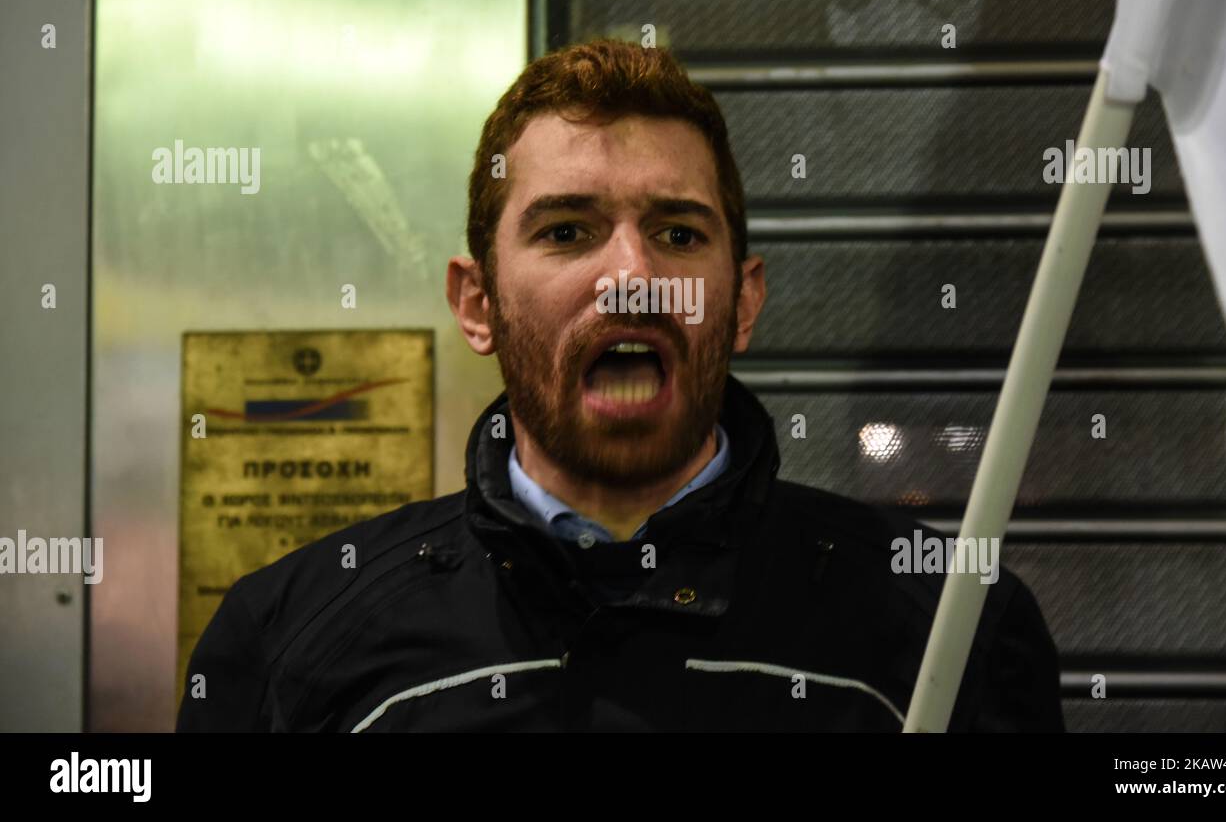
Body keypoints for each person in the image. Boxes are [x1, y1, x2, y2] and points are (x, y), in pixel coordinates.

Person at [177, 39, 1064, 732]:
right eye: (568, 231)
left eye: (678, 234)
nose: (632, 277)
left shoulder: (950, 624)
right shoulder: (288, 638)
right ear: (477, 302)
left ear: (742, 300)